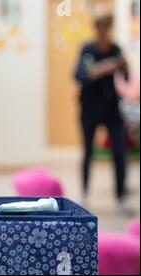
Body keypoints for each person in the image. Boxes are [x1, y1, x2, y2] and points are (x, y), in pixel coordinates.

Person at [74, 13, 130, 214]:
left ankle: (120, 196)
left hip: (112, 109)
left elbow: (125, 77)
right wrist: (100, 69)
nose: (106, 30)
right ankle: (84, 193)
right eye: (103, 26)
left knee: (119, 152)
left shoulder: (116, 49)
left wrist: (124, 65)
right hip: (89, 108)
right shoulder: (87, 49)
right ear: (97, 27)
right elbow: (79, 74)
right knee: (88, 152)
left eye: (109, 26)